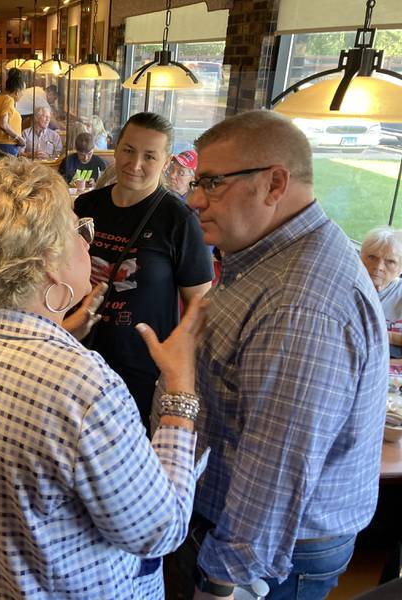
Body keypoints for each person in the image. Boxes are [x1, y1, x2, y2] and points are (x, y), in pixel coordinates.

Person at [0, 158, 207, 598]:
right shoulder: (84, 388)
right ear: (49, 263)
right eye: (78, 229)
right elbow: (160, 529)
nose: (86, 241)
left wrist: (60, 331)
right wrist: (179, 394)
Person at [179, 110, 387, 599]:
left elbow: (274, 471)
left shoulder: (301, 303)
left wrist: (220, 583)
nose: (194, 199)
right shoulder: (271, 254)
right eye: (195, 181)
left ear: (274, 183)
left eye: (212, 182)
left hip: (270, 555)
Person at [74, 112, 213, 426]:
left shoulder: (179, 220)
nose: (134, 164)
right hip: (80, 358)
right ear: (116, 147)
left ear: (165, 162)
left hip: (141, 370)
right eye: (128, 150)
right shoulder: (85, 206)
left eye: (149, 156)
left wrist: (180, 372)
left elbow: (199, 305)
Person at [361, 226, 402, 357]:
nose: (378, 267)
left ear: (400, 269)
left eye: (390, 262)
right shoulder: (347, 288)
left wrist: (384, 335)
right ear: (361, 258)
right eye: (372, 257)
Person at [0, 68, 26, 156]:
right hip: (7, 146)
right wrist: (18, 138)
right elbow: (3, 124)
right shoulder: (9, 100)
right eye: (23, 92)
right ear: (17, 92)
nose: (23, 95)